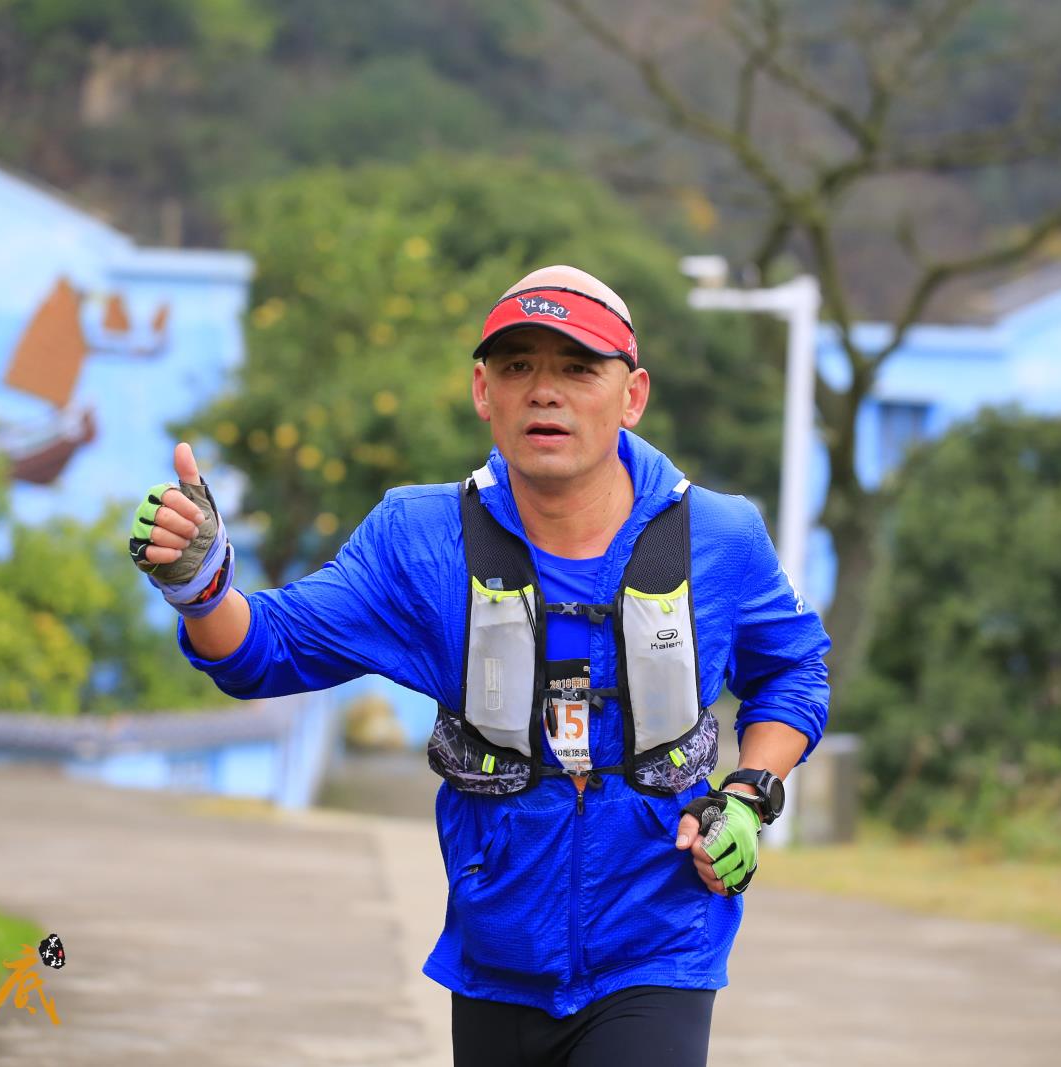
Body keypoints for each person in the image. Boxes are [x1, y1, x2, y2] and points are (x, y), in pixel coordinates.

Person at [128, 265, 831, 1067]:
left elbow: (795, 670)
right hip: (499, 952)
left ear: (632, 395)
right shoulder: (419, 539)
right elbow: (267, 648)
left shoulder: (719, 537)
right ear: (481, 389)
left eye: (578, 368)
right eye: (517, 365)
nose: (545, 391)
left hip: (659, 944)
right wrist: (200, 584)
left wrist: (748, 794)